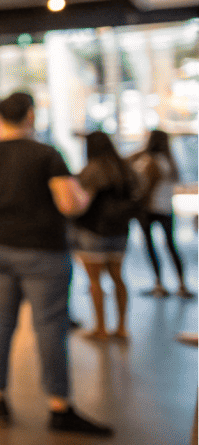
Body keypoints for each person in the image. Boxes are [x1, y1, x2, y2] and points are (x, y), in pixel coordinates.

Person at [0, 91, 113, 435]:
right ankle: (59, 407)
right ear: (30, 116)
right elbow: (67, 204)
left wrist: (2, 207)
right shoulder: (47, 154)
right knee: (49, 326)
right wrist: (85, 196)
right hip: (41, 251)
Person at [72, 131, 138, 341]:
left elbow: (83, 202)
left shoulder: (92, 170)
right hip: (120, 228)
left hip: (93, 230)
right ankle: (121, 327)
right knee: (118, 277)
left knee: (95, 281)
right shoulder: (125, 168)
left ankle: (100, 328)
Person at [129, 129, 193, 298]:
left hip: (149, 209)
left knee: (151, 246)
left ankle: (159, 284)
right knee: (170, 245)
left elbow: (143, 187)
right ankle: (181, 284)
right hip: (166, 209)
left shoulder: (147, 161)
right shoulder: (170, 161)